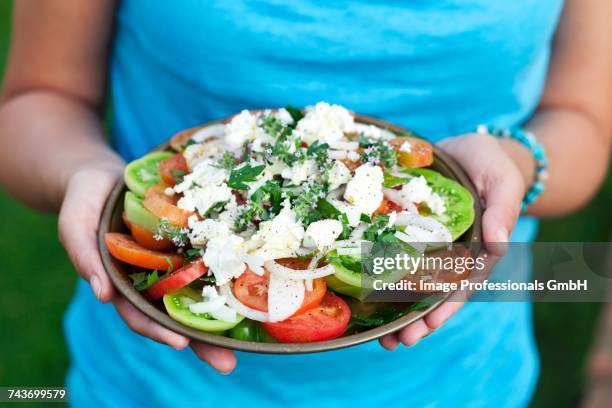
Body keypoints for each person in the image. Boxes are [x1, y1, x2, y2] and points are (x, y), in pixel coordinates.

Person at [0, 1, 610, 406]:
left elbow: (586, 123)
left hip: (458, 368)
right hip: (158, 379)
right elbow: (38, 96)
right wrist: (85, 171)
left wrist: (516, 161)